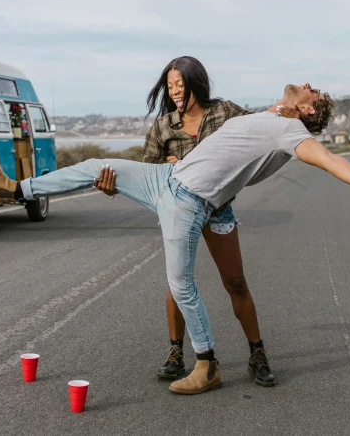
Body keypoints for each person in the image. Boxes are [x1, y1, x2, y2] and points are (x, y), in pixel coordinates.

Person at [0, 83, 350, 395]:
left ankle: (207, 364)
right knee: (95, 163)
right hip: (165, 178)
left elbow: (328, 160)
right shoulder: (265, 116)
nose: (305, 85)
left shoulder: (291, 132)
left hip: (190, 201)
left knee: (184, 283)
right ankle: (15, 190)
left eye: (312, 92)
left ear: (305, 112)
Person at [93, 56, 296, 386]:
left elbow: (259, 131)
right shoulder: (163, 126)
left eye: (180, 84)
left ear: (195, 83)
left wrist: (288, 115)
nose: (174, 91)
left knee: (236, 282)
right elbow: (149, 173)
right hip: (180, 209)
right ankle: (177, 352)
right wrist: (111, 187)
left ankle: (257, 353)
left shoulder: (225, 112)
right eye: (169, 85)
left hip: (218, 209)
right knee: (178, 283)